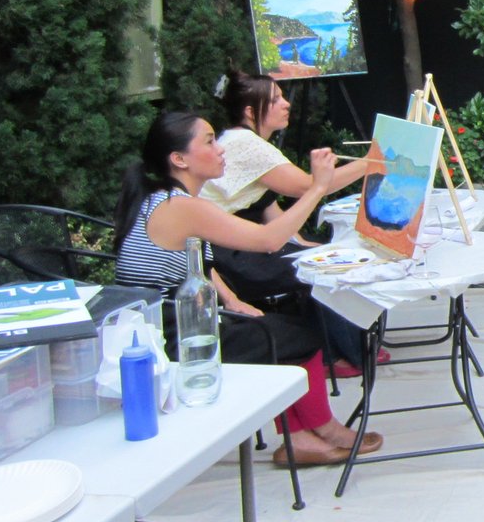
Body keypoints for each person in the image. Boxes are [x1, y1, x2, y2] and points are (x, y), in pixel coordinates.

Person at [114, 110, 381, 466]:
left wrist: (232, 299)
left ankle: (302, 438)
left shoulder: (164, 199)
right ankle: (322, 431)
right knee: (302, 335)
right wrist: (318, 187)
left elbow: (194, 265)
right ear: (179, 159)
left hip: (164, 324)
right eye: (209, 142)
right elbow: (269, 240)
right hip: (172, 338)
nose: (221, 149)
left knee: (284, 327)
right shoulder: (180, 206)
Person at [201, 71, 374, 373]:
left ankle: (337, 350)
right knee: (322, 267)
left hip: (235, 247)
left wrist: (303, 243)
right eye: (275, 100)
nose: (286, 104)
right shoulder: (246, 144)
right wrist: (371, 162)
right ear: (250, 112)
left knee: (321, 255)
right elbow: (310, 186)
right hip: (225, 257)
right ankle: (337, 355)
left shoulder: (247, 141)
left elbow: (266, 206)